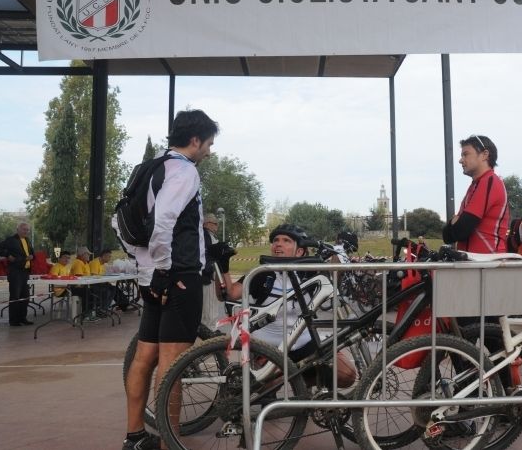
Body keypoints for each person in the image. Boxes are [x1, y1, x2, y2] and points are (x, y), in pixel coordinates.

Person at [120, 109, 219, 450]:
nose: (208, 151)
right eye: (208, 144)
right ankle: (170, 441)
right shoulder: (184, 170)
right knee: (173, 362)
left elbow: (121, 222)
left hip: (151, 275)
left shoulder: (147, 168)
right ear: (194, 140)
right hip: (177, 275)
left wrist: (146, 265)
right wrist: (164, 269)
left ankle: (134, 436)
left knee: (144, 356)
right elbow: (164, 220)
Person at [219, 223, 357, 387]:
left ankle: (304, 390)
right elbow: (231, 293)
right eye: (276, 240)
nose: (278, 243)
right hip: (268, 347)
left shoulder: (309, 272)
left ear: (299, 251)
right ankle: (272, 401)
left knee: (347, 375)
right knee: (269, 384)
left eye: (286, 240)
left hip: (304, 343)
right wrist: (222, 266)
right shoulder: (262, 274)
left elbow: (334, 272)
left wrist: (339, 249)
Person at [442, 134, 509, 253]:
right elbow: (447, 237)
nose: (460, 160)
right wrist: (455, 223)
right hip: (476, 263)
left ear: (484, 155)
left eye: (466, 154)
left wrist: (455, 221)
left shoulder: (489, 182)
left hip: (487, 264)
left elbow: (461, 230)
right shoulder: (477, 184)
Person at [0, 222, 34, 326]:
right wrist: (7, 255)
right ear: (18, 230)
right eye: (24, 229)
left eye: (27, 230)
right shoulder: (11, 240)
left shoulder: (27, 240)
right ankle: (14, 320)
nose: (26, 231)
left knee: (25, 296)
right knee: (15, 296)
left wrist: (32, 256)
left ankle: (22, 318)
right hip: (15, 271)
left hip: (25, 271)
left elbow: (32, 253)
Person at [200, 213, 227, 327]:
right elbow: (207, 255)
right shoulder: (205, 235)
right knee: (210, 306)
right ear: (207, 224)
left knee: (207, 306)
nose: (217, 226)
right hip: (208, 275)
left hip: (208, 274)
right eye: (215, 224)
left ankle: (208, 328)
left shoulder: (206, 235)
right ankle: (210, 330)